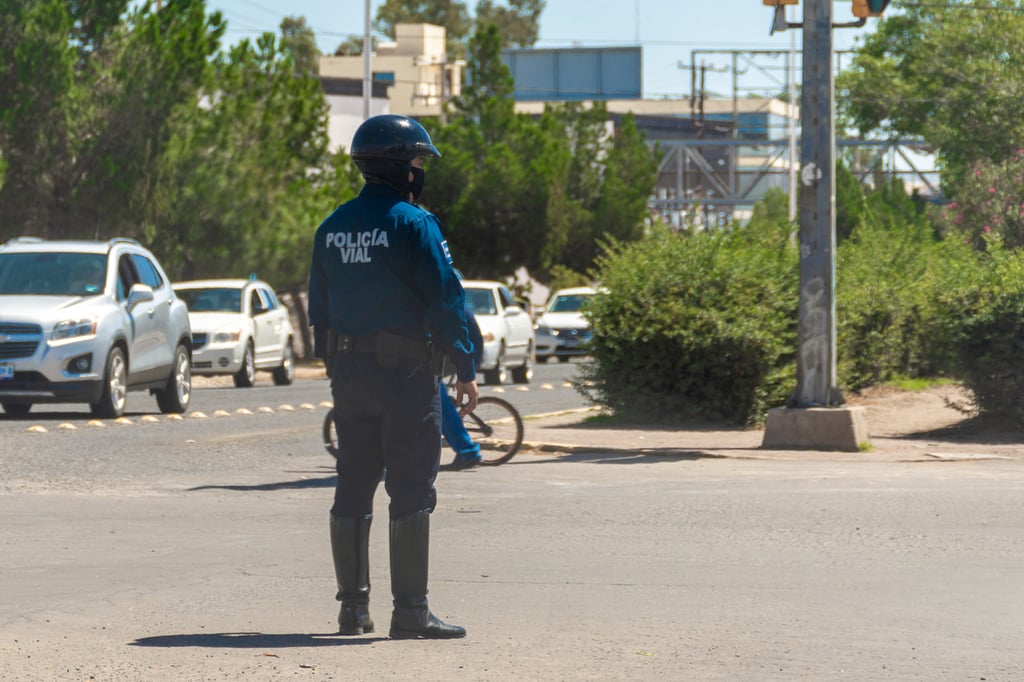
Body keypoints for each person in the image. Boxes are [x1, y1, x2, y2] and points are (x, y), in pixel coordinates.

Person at [307, 114, 478, 640]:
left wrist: (336, 365)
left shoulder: (332, 225)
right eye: (419, 160)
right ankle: (411, 612)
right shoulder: (415, 223)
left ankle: (352, 611)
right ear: (402, 166)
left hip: (351, 374)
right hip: (406, 374)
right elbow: (446, 298)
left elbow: (319, 307)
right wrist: (466, 366)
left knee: (353, 484)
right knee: (410, 488)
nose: (421, 169)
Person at [441, 300, 485, 469]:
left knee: (437, 397)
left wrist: (466, 374)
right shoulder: (460, 305)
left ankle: (467, 450)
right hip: (462, 357)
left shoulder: (451, 306)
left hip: (462, 358)